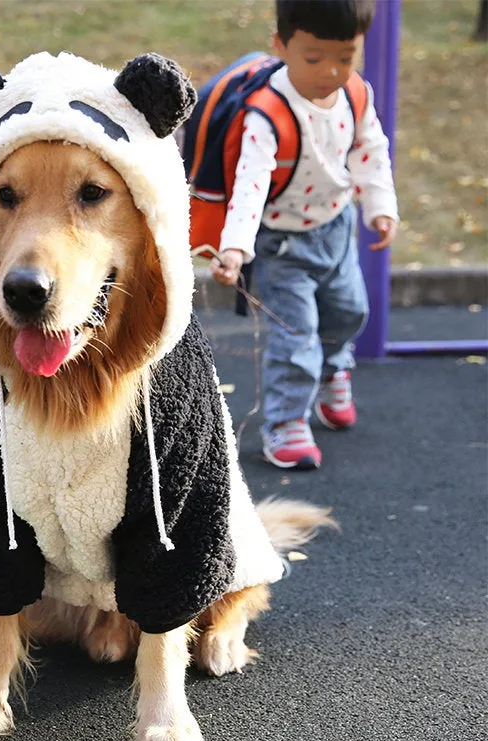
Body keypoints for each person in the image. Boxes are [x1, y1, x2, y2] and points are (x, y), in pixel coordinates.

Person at [211, 0, 398, 470]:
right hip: (281, 245)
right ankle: (286, 423)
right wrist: (235, 248)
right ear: (281, 46)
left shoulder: (355, 93)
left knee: (349, 312)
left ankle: (335, 368)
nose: (330, 72)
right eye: (313, 58)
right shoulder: (267, 113)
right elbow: (249, 184)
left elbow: (370, 151)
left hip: (336, 227)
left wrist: (380, 207)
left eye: (345, 57)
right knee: (295, 336)